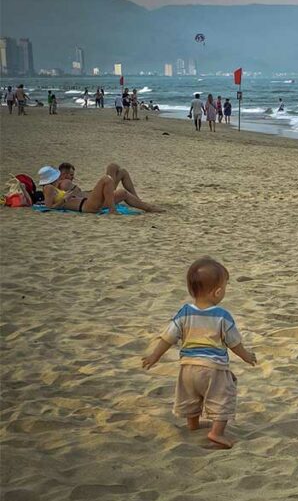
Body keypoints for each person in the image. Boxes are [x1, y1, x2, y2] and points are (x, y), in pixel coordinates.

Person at [141, 257, 257, 449]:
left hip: (187, 368)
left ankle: (193, 424)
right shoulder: (222, 316)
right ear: (218, 291)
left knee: (191, 397)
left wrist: (154, 356)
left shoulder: (184, 312)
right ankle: (216, 432)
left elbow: (168, 338)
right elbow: (234, 342)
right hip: (213, 369)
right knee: (222, 398)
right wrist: (247, 356)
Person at [38, 164, 161, 213]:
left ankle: (149, 208)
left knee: (122, 192)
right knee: (106, 178)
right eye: (70, 174)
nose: (72, 177)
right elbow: (49, 208)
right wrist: (65, 199)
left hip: (88, 202)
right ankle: (113, 210)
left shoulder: (53, 188)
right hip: (85, 204)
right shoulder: (50, 187)